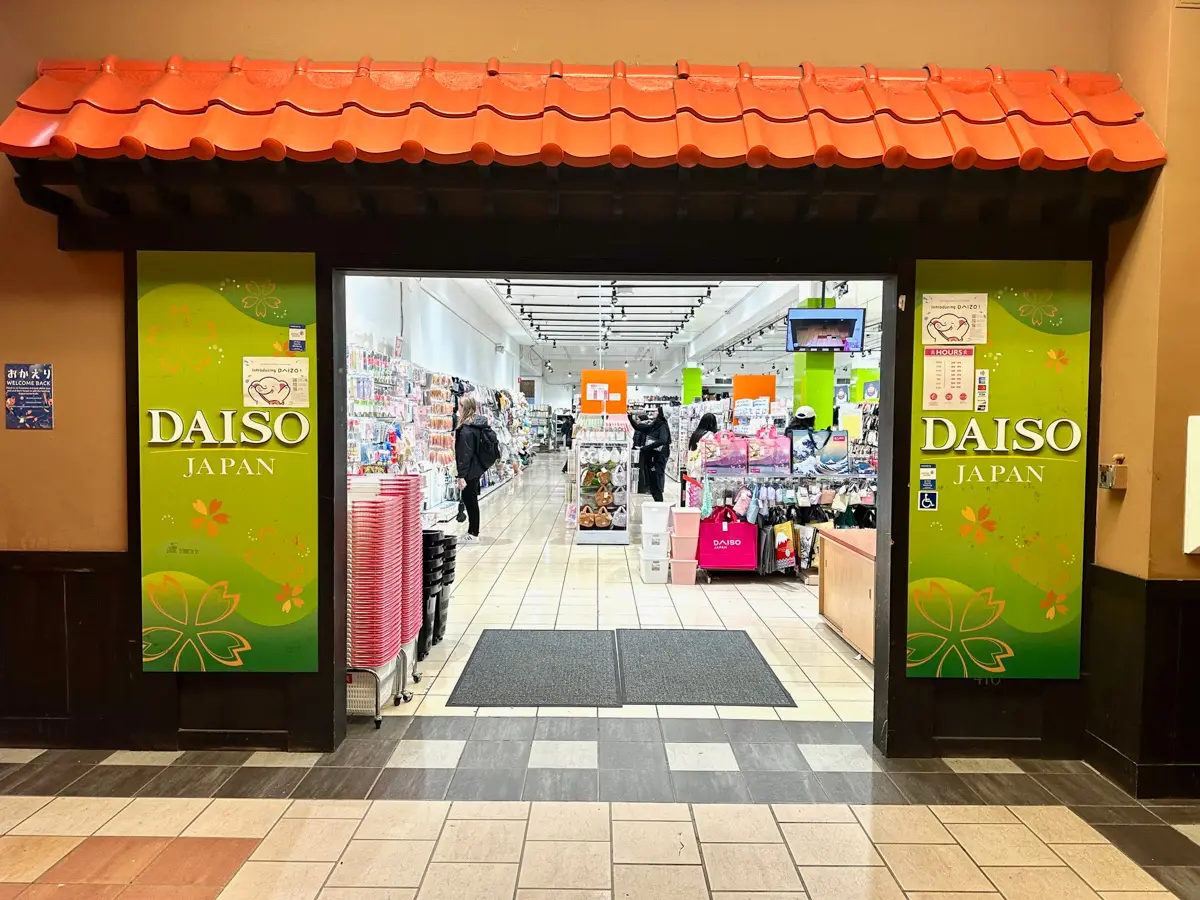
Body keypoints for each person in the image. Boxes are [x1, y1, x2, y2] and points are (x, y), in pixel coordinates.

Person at [454, 394, 500, 543]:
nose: (457, 409)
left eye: (459, 406)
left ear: (464, 408)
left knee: (470, 500)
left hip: (469, 469)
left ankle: (473, 533)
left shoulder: (466, 429)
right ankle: (472, 531)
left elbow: (464, 454)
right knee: (472, 499)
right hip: (477, 466)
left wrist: (461, 476)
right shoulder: (478, 425)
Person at [629, 406, 672, 503]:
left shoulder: (663, 426)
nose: (654, 412)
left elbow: (663, 440)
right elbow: (638, 427)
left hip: (658, 457)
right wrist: (630, 417)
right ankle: (657, 502)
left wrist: (647, 447)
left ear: (661, 414)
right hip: (653, 456)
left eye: (657, 411)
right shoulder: (655, 425)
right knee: (652, 481)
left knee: (655, 481)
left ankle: (659, 503)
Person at [683, 412, 718, 506]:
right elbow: (711, 455)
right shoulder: (709, 436)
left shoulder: (695, 434)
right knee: (702, 499)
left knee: (692, 496)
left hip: (692, 470)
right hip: (702, 471)